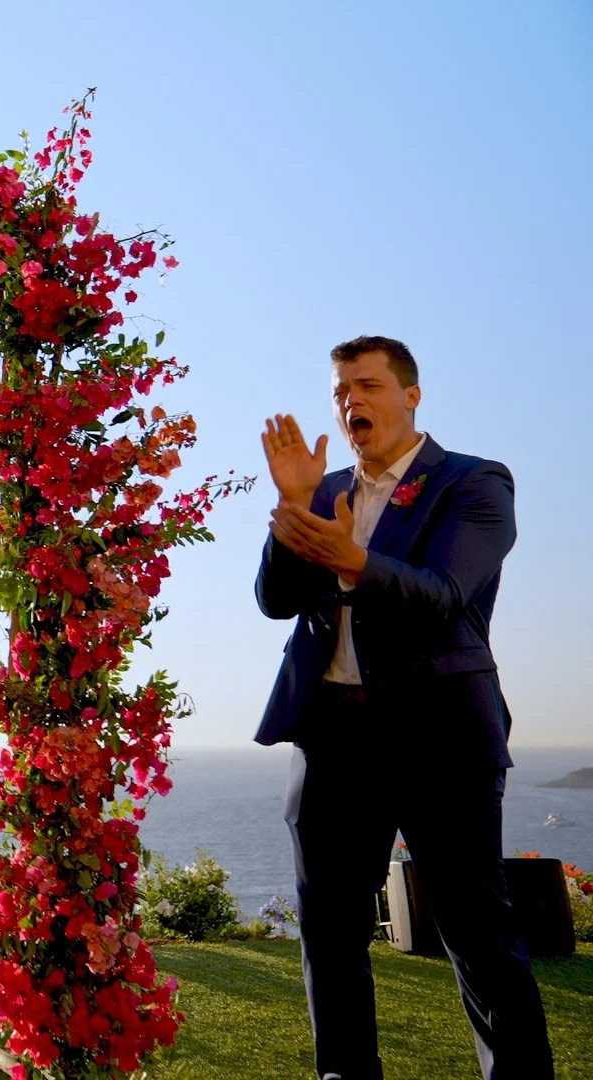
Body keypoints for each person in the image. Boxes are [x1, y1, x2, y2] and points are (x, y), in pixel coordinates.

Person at [255, 335, 553, 1079]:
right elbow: (275, 601)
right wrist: (292, 505)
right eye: (339, 391)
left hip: (441, 738)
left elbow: (441, 596)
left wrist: (350, 557)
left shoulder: (473, 482)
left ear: (411, 395)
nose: (350, 400)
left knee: (477, 936)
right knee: (329, 935)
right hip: (331, 738)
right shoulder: (322, 490)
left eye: (367, 385)